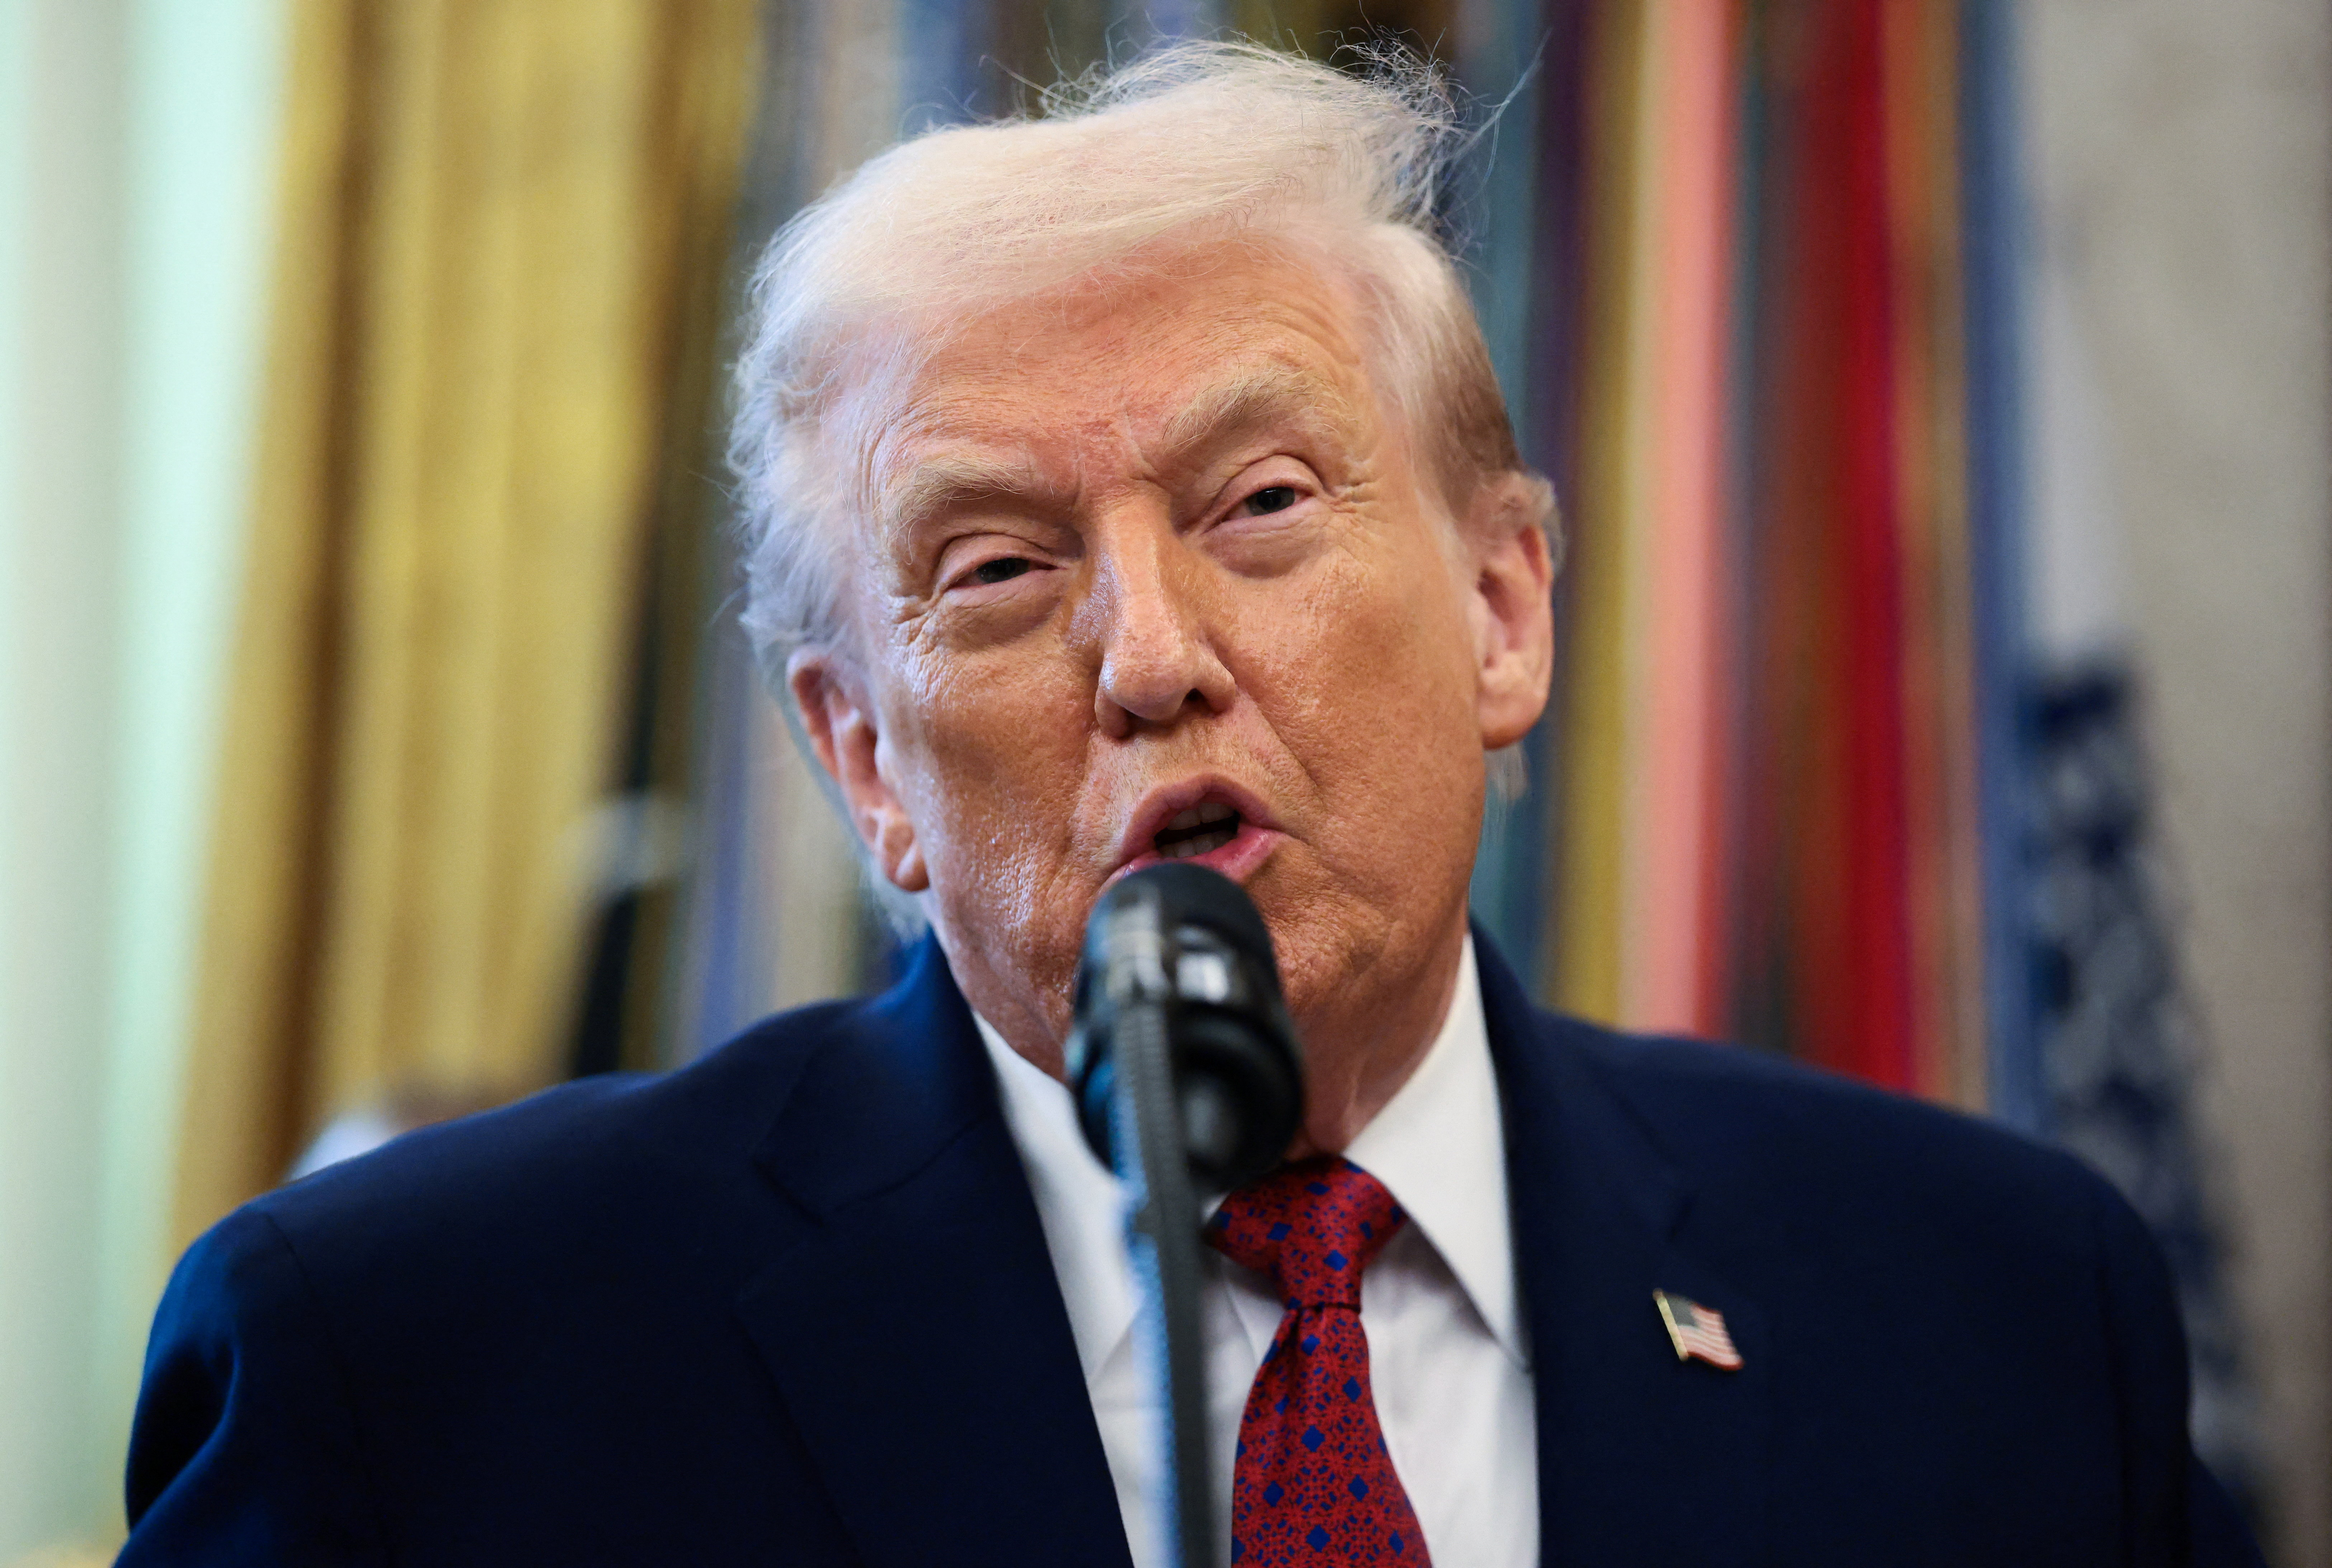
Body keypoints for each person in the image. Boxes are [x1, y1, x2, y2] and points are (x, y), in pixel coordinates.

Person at [120, 43, 2262, 1567]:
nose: (1145, 654)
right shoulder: (410, 1369)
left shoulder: (1993, 1312)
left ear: (1503, 608)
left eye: (1256, 503)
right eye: (993, 570)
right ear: (864, 761)